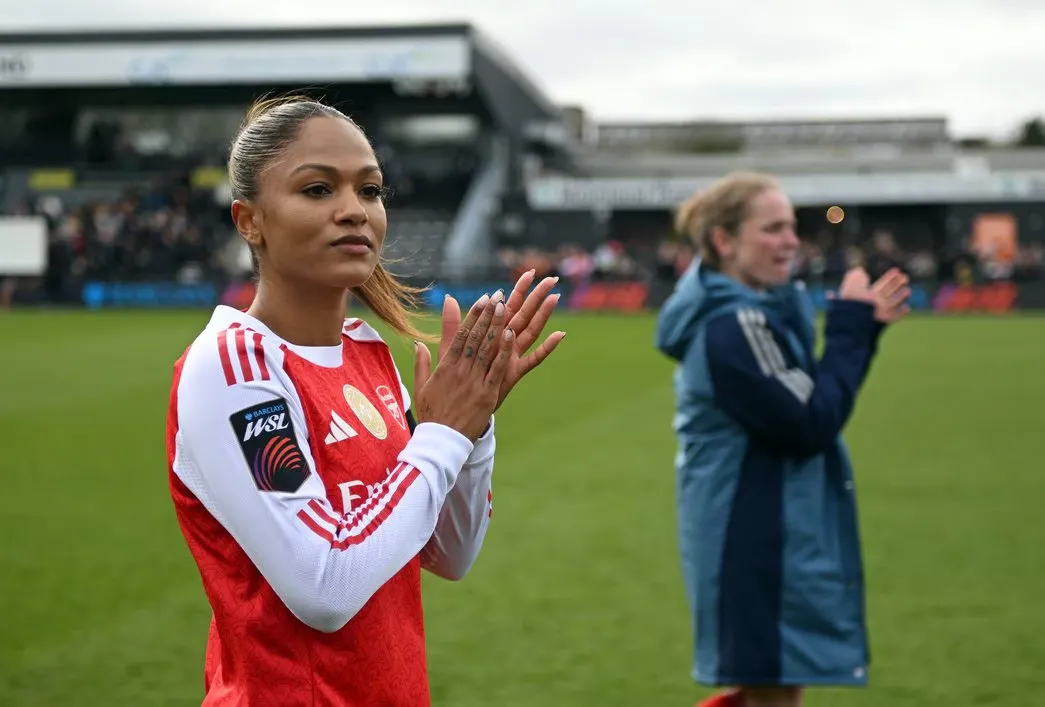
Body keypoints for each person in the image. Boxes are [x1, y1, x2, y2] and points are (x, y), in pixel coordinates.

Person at [165, 95, 565, 706]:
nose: (354, 211)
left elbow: (447, 552)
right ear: (250, 221)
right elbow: (323, 585)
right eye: (318, 190)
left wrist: (473, 430)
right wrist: (441, 436)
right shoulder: (236, 365)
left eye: (371, 191)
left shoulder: (366, 352)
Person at [653, 171, 910, 707]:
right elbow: (809, 421)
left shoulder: (751, 314)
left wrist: (861, 331)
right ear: (724, 241)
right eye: (772, 229)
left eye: (791, 227)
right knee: (771, 690)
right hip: (750, 537)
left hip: (762, 527)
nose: (791, 240)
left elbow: (807, 403)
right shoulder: (734, 326)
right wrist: (849, 330)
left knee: (770, 687)